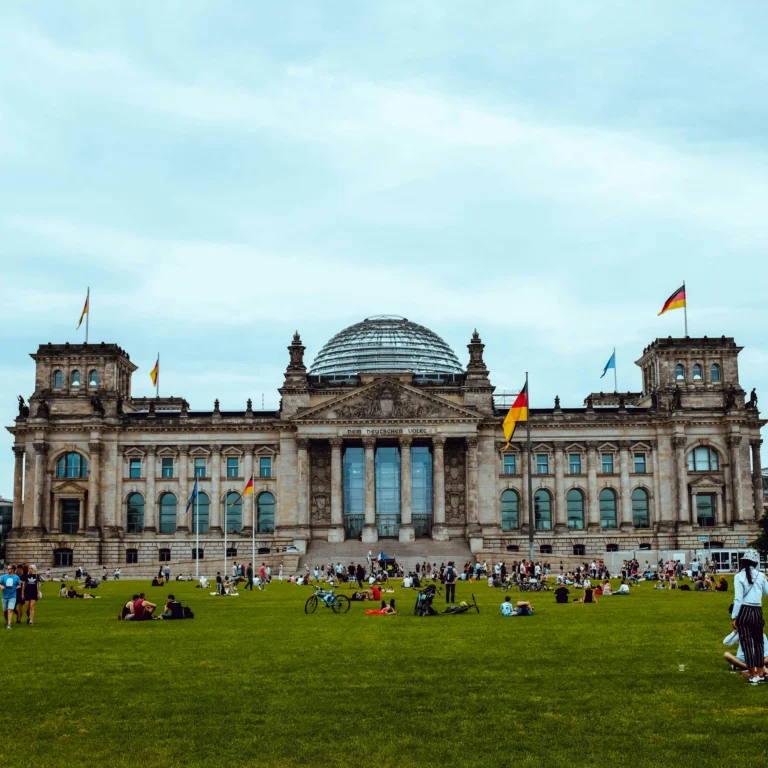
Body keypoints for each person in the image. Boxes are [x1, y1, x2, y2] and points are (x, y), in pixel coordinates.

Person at [731, 549, 768, 684]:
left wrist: (734, 617)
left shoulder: (738, 576)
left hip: (744, 611)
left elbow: (738, 599)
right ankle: (760, 672)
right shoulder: (761, 576)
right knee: (759, 643)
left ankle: (752, 676)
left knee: (747, 644)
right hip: (757, 611)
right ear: (756, 562)